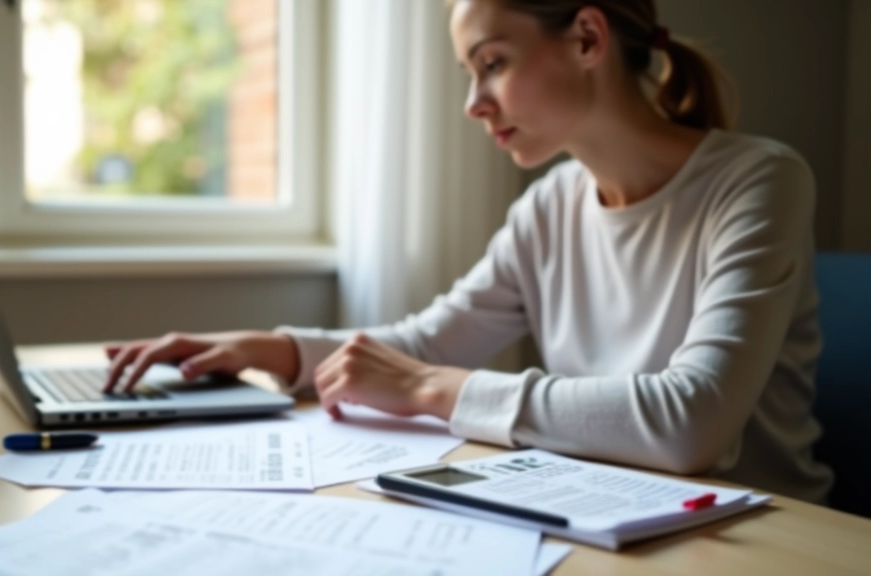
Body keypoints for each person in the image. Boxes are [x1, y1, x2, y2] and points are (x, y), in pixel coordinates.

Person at [102, 0, 833, 503]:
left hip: (761, 536)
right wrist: (273, 350)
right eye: (468, 73)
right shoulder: (549, 206)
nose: (473, 102)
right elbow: (425, 342)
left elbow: (691, 424)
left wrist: (430, 389)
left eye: (492, 63)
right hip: (614, 514)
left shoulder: (758, 182)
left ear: (586, 39)